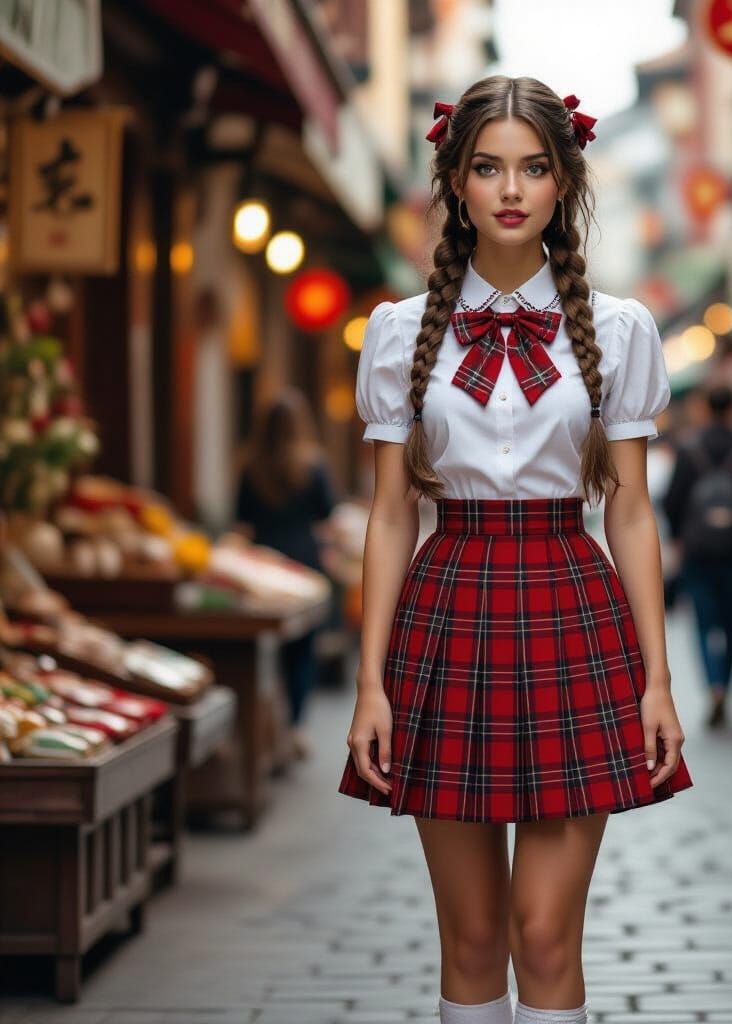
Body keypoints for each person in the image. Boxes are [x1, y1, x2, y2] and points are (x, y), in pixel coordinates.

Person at [337, 76, 693, 1024]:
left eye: (534, 168)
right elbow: (387, 518)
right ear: (454, 183)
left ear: (562, 182)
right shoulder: (397, 334)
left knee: (544, 934)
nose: (509, 188)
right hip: (446, 608)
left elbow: (631, 515)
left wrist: (658, 680)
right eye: (486, 166)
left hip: (572, 609)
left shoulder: (618, 330)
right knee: (470, 939)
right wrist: (370, 685)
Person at [661, 385, 732, 729]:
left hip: (698, 552)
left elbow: (671, 501)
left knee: (704, 623)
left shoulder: (689, 449)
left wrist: (681, 536)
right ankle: (727, 685)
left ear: (705, 408)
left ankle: (714, 686)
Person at [234, 387, 336, 757]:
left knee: (266, 652)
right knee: (303, 651)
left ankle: (267, 727)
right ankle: (294, 726)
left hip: (263, 566)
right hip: (304, 565)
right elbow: (327, 514)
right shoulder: (312, 464)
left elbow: (241, 519)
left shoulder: (250, 466)